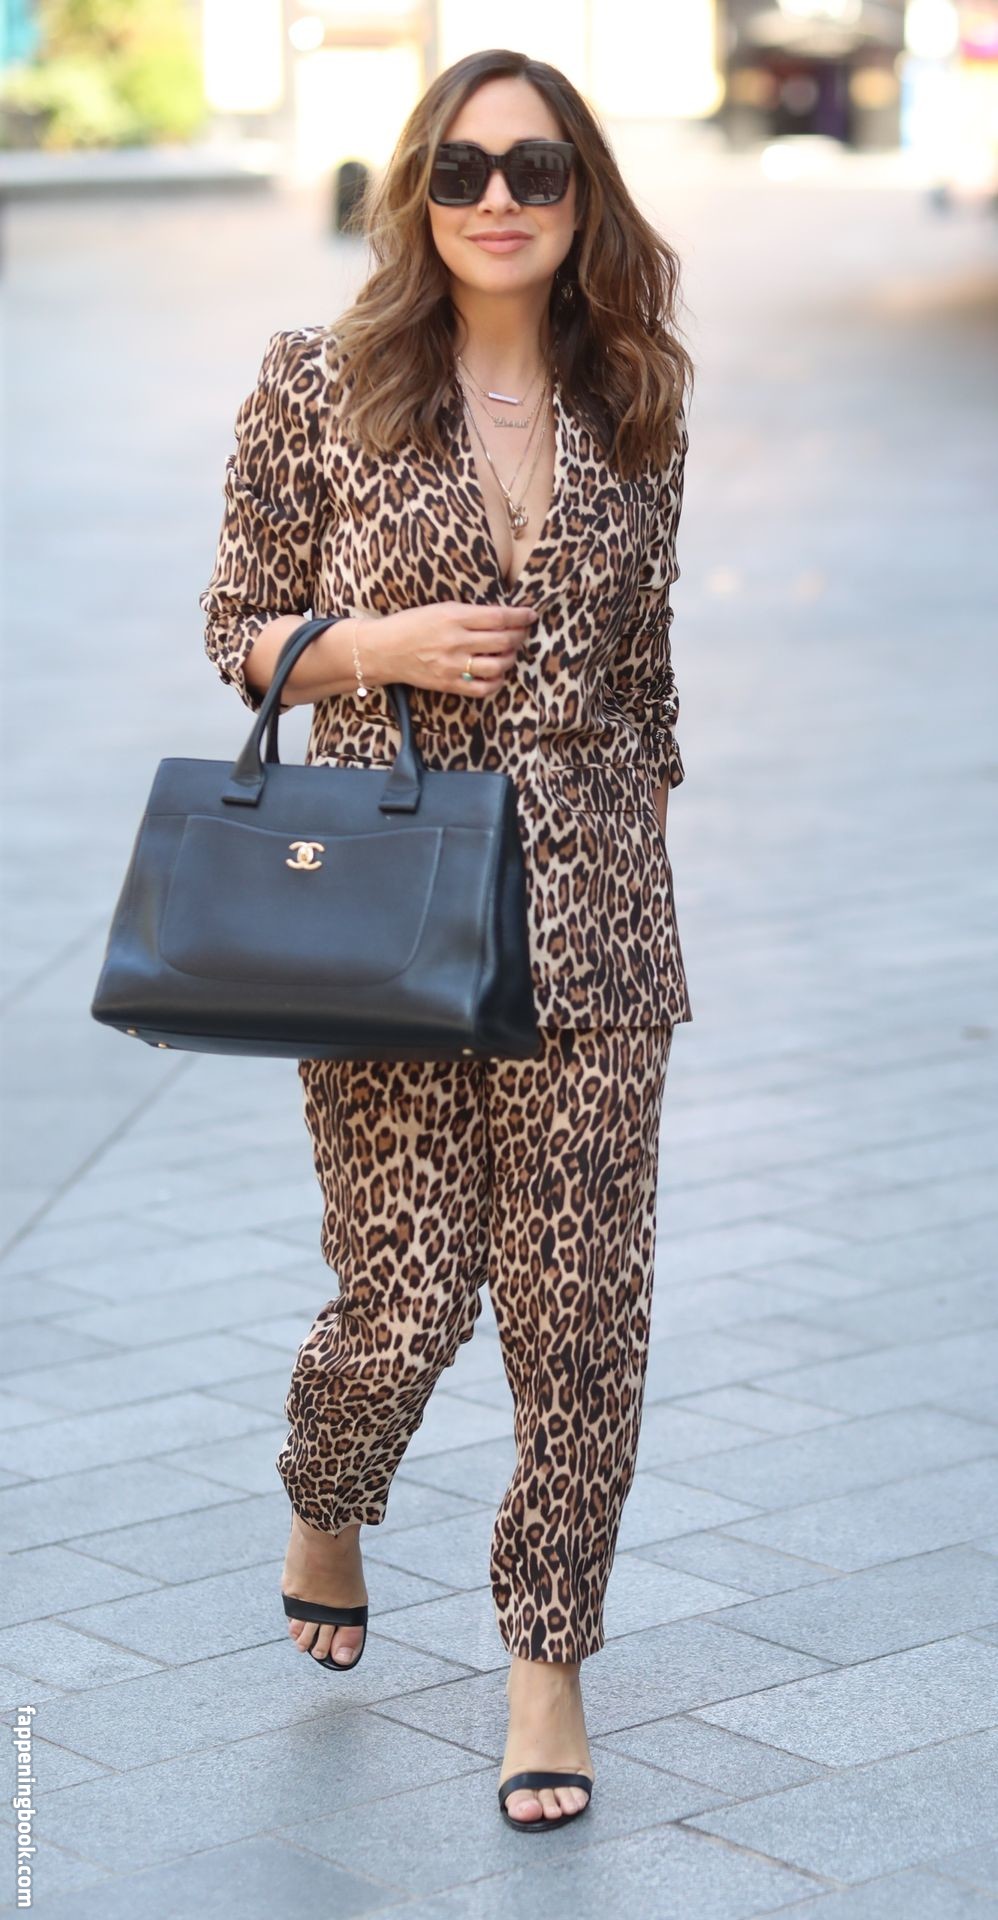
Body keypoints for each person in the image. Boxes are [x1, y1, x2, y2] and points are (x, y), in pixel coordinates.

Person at [199, 45, 694, 1834]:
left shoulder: (634, 398)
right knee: (404, 1298)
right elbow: (237, 629)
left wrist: (630, 840)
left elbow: (645, 677)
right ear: (417, 192)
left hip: (592, 925)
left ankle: (546, 1663)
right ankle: (326, 1495)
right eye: (465, 169)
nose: (499, 199)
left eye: (536, 170)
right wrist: (374, 650)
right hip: (384, 901)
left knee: (582, 1312)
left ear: (581, 199)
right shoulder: (313, 379)